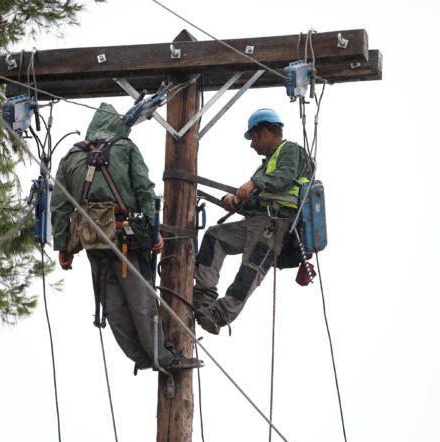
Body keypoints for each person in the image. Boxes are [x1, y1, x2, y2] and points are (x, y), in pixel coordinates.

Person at [50, 102, 201, 372]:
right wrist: (154, 232)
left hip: (93, 242)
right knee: (141, 300)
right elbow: (144, 188)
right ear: (115, 124)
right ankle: (163, 358)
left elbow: (60, 205)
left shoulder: (71, 157)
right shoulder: (125, 148)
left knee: (112, 304)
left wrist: (64, 247)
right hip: (126, 239)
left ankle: (141, 357)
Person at [194, 108, 312, 334]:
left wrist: (252, 184)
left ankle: (220, 314)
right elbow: (260, 198)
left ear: (265, 132)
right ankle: (204, 293)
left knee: (250, 270)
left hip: (277, 224)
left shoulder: (291, 151)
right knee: (215, 236)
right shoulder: (266, 165)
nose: (251, 145)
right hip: (259, 220)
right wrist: (235, 201)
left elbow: (283, 179)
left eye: (254, 138)